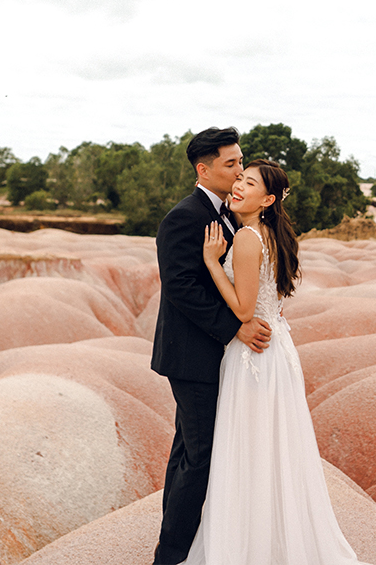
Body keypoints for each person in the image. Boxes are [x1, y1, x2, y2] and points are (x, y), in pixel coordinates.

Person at [181, 159, 371, 565]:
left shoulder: (249, 238)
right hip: (275, 352)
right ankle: (274, 541)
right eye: (239, 178)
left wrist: (213, 261)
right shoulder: (275, 234)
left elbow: (245, 310)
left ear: (267, 199)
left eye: (248, 182)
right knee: (272, 449)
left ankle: (246, 546)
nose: (237, 185)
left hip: (253, 353)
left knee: (247, 450)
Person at [152, 127, 273, 565]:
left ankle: (175, 544)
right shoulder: (184, 216)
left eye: (241, 162)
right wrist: (234, 329)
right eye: (231, 163)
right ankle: (171, 556)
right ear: (204, 170)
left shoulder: (229, 214)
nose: (240, 170)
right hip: (191, 354)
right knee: (199, 456)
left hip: (209, 354)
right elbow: (180, 286)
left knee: (188, 450)